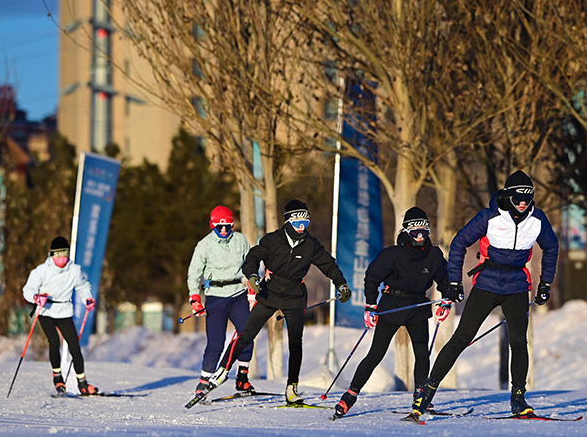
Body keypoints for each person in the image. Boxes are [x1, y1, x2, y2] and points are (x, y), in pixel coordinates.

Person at [412, 170, 558, 417]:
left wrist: (545, 284)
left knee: (519, 343)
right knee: (461, 338)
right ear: (508, 195)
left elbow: (552, 248)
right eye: (518, 197)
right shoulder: (489, 217)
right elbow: (459, 243)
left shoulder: (538, 220)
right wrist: (455, 282)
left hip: (517, 287)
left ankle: (519, 399)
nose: (523, 202)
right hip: (487, 284)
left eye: (528, 196)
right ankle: (426, 394)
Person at [204, 199, 352, 404]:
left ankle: (292, 388)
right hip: (269, 292)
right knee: (247, 332)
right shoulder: (273, 240)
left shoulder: (311, 245)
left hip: (295, 296)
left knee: (295, 344)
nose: (301, 228)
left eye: (305, 223)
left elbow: (329, 265)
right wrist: (253, 277)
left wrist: (341, 284)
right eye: (298, 223)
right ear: (288, 221)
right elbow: (252, 258)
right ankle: (222, 371)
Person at [332, 207, 449, 419]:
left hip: (418, 307)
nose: (420, 236)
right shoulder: (392, 254)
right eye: (415, 232)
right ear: (406, 231)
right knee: (376, 353)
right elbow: (371, 277)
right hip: (392, 305)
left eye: (424, 231)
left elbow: (444, 280)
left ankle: (420, 397)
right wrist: (370, 305)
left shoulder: (434, 255)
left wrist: (447, 301)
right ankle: (350, 395)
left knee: (422, 353)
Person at [188, 205, 256, 397]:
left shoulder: (241, 240)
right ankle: (203, 381)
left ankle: (242, 378)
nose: (224, 230)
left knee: (247, 334)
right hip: (215, 297)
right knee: (216, 343)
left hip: (238, 295)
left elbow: (251, 263)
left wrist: (253, 285)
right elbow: (193, 273)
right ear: (212, 226)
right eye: (220, 227)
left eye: (228, 226)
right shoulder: (204, 245)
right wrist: (195, 299)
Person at [22, 236, 99, 395]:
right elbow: (27, 290)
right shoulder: (42, 270)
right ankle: (58, 378)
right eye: (57, 254)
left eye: (64, 254)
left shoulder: (74, 270)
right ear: (51, 255)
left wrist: (88, 298)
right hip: (46, 311)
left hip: (64, 310)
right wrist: (36, 297)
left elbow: (83, 286)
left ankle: (82, 383)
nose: (61, 258)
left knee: (74, 346)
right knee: (54, 341)